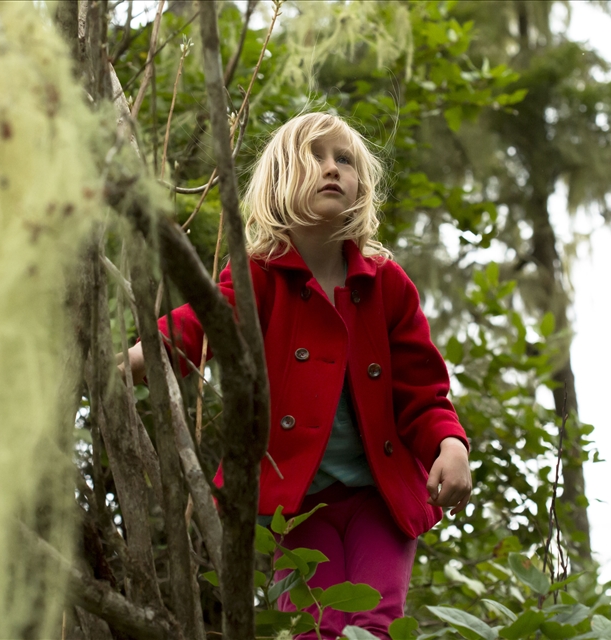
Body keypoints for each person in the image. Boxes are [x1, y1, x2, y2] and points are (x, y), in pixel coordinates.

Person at [124, 112, 472, 639]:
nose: (332, 168)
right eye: (314, 157)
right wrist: (142, 355)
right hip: (295, 500)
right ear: (281, 180)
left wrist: (450, 442)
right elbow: (204, 321)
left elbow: (423, 388)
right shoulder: (258, 275)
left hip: (378, 495)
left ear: (361, 187)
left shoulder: (386, 285)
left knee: (377, 621)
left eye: (345, 159)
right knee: (317, 626)